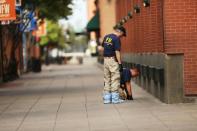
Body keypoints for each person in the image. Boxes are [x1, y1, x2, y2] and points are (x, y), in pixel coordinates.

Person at [102, 25, 126, 104]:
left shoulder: (106, 37)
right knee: (115, 79)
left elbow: (103, 46)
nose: (121, 37)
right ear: (120, 32)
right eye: (122, 35)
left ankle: (107, 98)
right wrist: (120, 63)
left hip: (105, 60)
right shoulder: (116, 38)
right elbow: (117, 51)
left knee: (107, 79)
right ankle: (115, 99)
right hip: (113, 60)